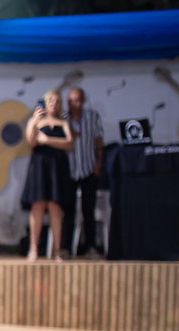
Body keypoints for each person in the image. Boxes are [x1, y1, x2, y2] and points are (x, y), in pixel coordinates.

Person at [20, 90, 74, 262]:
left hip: (57, 168)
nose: (54, 104)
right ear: (45, 102)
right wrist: (34, 122)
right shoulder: (35, 121)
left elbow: (69, 144)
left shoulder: (63, 122)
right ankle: (33, 249)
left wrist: (47, 140)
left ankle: (57, 250)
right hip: (39, 167)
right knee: (37, 206)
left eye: (57, 101)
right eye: (51, 100)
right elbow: (31, 141)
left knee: (55, 208)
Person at [61, 87, 104, 259]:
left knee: (88, 211)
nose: (73, 104)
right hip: (69, 171)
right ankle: (65, 249)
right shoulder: (62, 119)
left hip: (88, 169)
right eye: (70, 101)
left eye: (77, 100)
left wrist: (99, 163)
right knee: (68, 211)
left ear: (84, 100)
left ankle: (91, 247)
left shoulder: (93, 117)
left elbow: (99, 141)